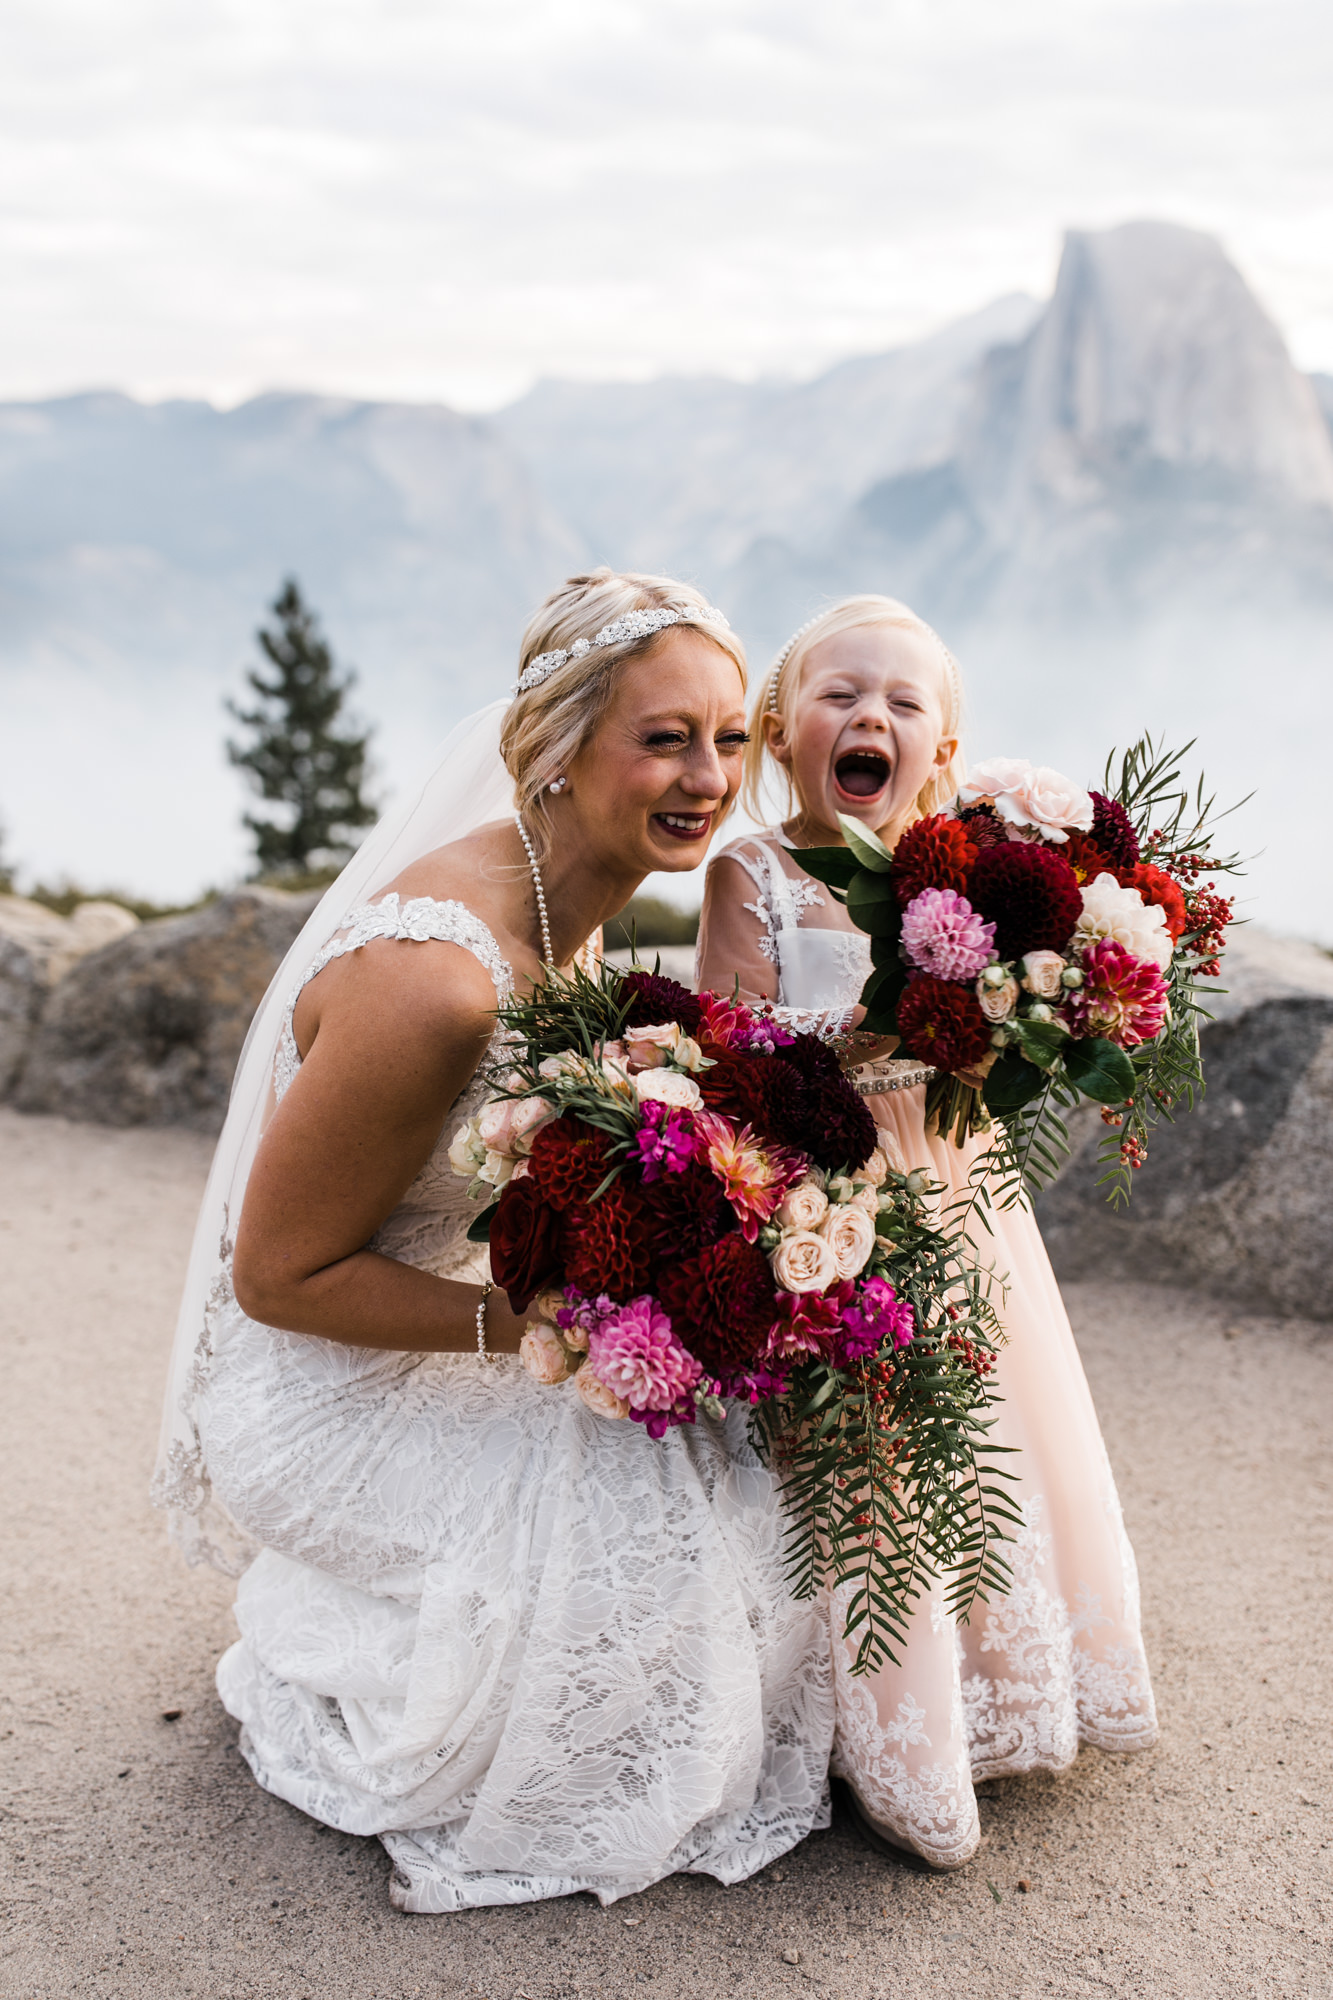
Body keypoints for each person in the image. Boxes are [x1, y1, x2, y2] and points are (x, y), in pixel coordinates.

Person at [153, 570, 836, 1913]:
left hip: (440, 1325)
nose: (708, 776)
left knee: (743, 1471)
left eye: (726, 737)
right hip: (319, 1399)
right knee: (666, 1547)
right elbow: (275, 1276)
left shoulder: (571, 899)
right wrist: (536, 1324)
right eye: (662, 738)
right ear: (557, 749)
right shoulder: (436, 986)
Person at [695, 595, 1158, 1870]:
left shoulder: (954, 871)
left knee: (983, 1423)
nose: (871, 718)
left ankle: (996, 1688)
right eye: (841, 695)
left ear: (940, 751)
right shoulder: (756, 871)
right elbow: (730, 1035)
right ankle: (871, 1727)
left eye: (903, 704)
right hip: (821, 1187)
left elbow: (1017, 1026)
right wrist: (844, 1051)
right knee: (858, 1452)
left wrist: (1028, 1014)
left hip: (952, 1182)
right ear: (783, 734)